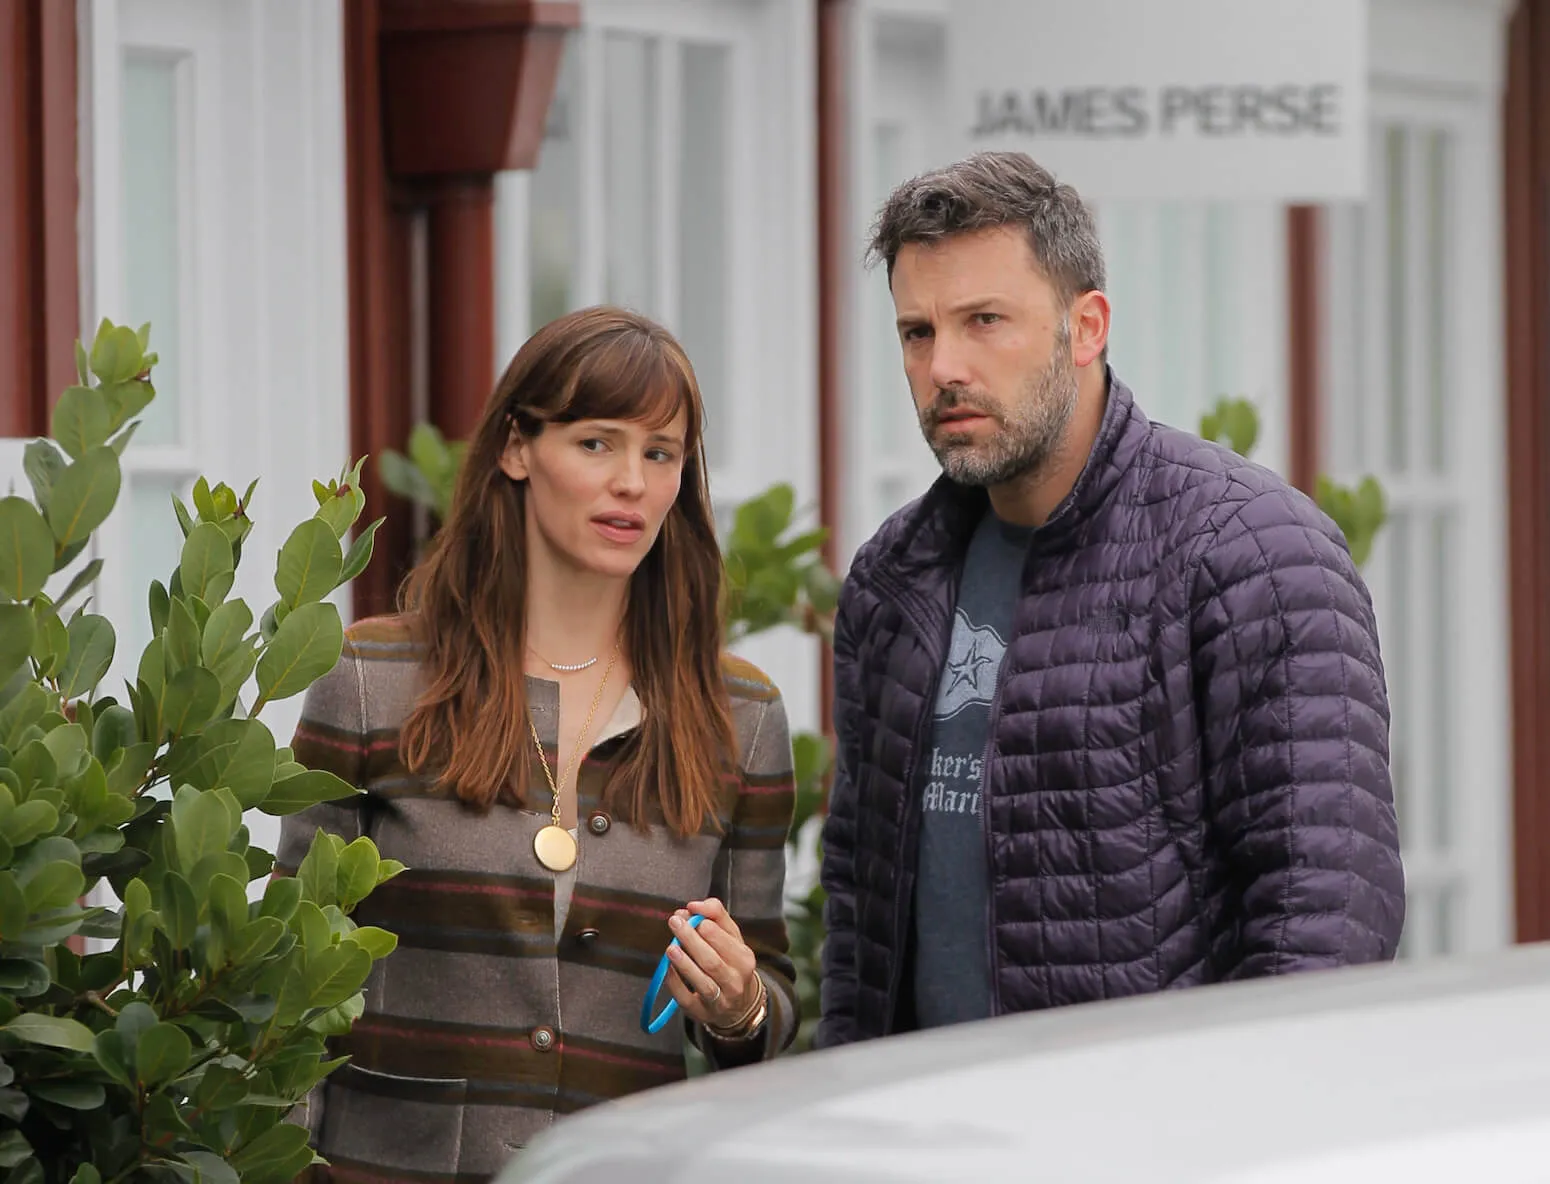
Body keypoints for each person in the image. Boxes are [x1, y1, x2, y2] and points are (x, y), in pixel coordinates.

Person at [816, 151, 1405, 1048]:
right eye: (918, 333)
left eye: (984, 322)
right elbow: (861, 924)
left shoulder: (1252, 555)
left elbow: (1324, 916)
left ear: (1085, 325)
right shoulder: (895, 578)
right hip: (921, 1140)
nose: (944, 367)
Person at [279, 306, 799, 1179]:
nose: (631, 481)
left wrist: (742, 1005)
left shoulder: (739, 718)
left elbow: (767, 1014)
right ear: (518, 449)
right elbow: (288, 983)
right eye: (597, 443)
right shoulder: (371, 681)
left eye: (660, 453)